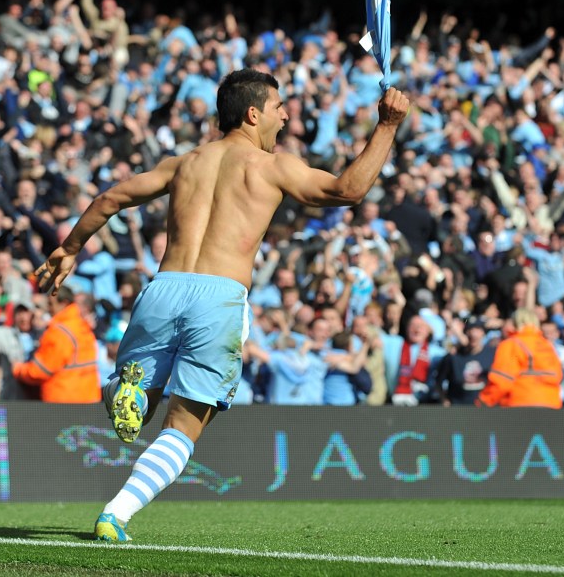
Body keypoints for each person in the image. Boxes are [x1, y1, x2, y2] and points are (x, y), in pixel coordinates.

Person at [37, 68, 409, 541]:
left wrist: (70, 247)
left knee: (132, 400)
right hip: (219, 297)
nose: (287, 114)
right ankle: (116, 513)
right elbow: (347, 190)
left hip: (165, 287)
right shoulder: (271, 166)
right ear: (254, 114)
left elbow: (111, 198)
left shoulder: (184, 162)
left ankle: (125, 395)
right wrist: (388, 126)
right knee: (184, 424)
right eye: (279, 108)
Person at [11, 286, 101, 403]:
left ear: (63, 303)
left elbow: (41, 370)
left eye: (51, 303)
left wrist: (18, 369)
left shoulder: (59, 332)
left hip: (64, 402)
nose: (48, 308)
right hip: (88, 398)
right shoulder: (81, 325)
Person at [477, 308, 563, 409]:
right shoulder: (547, 345)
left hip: (521, 404)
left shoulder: (513, 344)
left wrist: (482, 402)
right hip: (552, 405)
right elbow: (558, 376)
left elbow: (502, 379)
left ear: (515, 323)